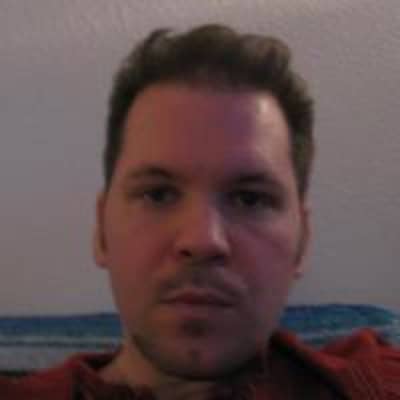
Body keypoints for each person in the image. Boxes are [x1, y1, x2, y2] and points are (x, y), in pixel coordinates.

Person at [1, 24, 399, 400]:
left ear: (303, 242)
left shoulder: (374, 381)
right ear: (102, 232)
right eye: (158, 194)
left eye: (249, 199)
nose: (203, 240)